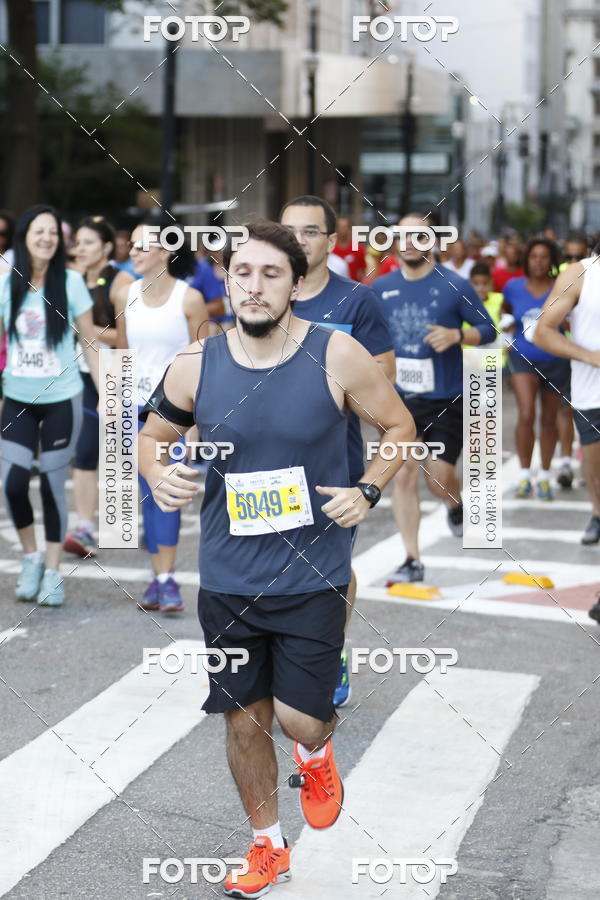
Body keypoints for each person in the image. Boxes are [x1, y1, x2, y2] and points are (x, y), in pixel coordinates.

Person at [138, 221, 415, 898]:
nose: (254, 286)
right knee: (242, 719)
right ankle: (267, 844)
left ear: (296, 284)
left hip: (313, 571)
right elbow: (153, 433)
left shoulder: (337, 354)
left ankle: (316, 752)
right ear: (227, 280)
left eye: (270, 274)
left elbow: (400, 426)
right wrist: (155, 472)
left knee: (299, 717)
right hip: (230, 579)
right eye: (242, 272)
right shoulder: (196, 365)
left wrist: (369, 489)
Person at [279, 195, 396, 707]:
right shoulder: (259, 294)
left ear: (331, 240)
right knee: (270, 556)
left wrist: (324, 389)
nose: (298, 240)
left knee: (328, 563)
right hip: (264, 456)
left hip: (334, 459)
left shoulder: (356, 301)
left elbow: (385, 380)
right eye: (289, 231)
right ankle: (276, 652)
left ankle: (331, 648)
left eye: (309, 231)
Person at [372, 214, 496, 582]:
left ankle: (455, 507)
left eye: (418, 236)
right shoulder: (380, 288)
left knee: (439, 479)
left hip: (446, 396)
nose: (409, 242)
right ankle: (412, 558)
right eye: (403, 236)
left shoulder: (455, 285)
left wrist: (457, 336)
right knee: (405, 473)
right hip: (401, 400)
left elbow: (488, 329)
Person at [0, 205, 99, 606]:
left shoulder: (71, 282)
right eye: (38, 232)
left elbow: (89, 341)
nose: (46, 239)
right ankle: (31, 557)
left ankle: (55, 571)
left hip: (63, 399)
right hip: (19, 398)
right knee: (14, 484)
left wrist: (108, 395)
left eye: (53, 234)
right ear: (24, 236)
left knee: (55, 488)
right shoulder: (7, 284)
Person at [115, 220, 209, 613]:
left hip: (175, 415)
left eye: (143, 245)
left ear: (167, 251)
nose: (134, 251)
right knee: (146, 497)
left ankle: (167, 580)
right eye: (132, 245)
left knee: (165, 496)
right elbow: (121, 354)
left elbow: (204, 360)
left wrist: (197, 425)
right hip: (133, 411)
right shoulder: (123, 294)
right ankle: (158, 578)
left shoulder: (189, 299)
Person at [62, 216, 134, 557]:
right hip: (80, 374)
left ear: (107, 247)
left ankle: (140, 523)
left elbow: (127, 337)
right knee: (86, 450)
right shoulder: (73, 279)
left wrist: (86, 328)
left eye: (89, 242)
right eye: (78, 242)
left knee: (121, 454)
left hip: (115, 371)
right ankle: (85, 528)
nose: (81, 248)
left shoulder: (121, 282)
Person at [534, 252, 600, 567]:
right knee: (596, 471)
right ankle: (598, 514)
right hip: (592, 393)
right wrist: (590, 356)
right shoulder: (580, 274)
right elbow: (542, 330)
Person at [503, 239, 569, 500]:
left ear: (551, 260)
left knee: (550, 419)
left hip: (556, 359)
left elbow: (573, 319)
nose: (538, 262)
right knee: (527, 413)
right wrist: (506, 333)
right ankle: (524, 476)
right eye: (534, 257)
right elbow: (506, 314)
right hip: (523, 358)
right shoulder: (513, 286)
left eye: (544, 257)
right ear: (526, 260)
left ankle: (544, 475)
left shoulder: (562, 287)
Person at [331, 216, 366, 282]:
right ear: (336, 229)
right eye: (340, 227)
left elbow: (362, 270)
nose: (343, 229)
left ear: (350, 228)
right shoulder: (330, 248)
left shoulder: (358, 247)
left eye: (345, 227)